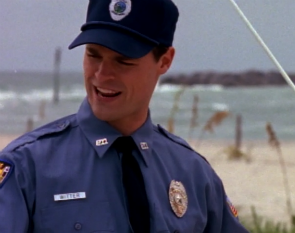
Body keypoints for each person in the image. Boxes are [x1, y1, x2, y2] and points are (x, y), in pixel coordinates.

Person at [0, 0, 250, 232]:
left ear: (164, 61)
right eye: (93, 54)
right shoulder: (27, 166)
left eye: (123, 60)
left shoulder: (193, 173)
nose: (101, 74)